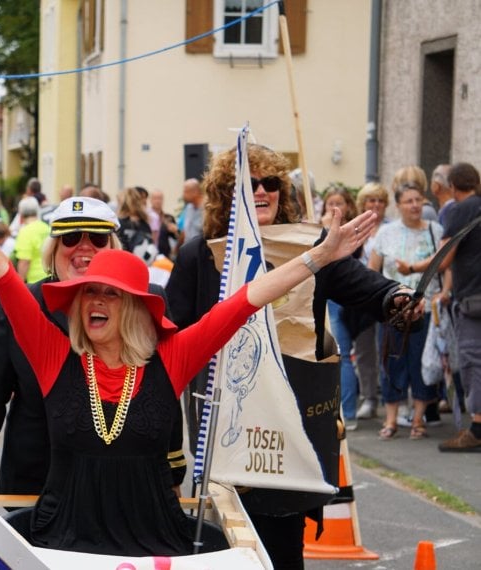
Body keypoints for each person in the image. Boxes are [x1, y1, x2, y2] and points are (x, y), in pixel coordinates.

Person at [0, 142, 378, 557]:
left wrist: (318, 256)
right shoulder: (53, 355)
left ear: (136, 307)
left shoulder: (171, 357)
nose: (94, 300)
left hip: (156, 543)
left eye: (110, 292)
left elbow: (246, 300)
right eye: (87, 292)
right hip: (62, 540)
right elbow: (1, 272)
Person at [166, 145, 415, 568]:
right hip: (226, 419)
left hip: (291, 420)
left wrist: (397, 297)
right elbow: (171, 344)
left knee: (282, 544)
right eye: (249, 184)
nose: (261, 191)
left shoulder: (314, 248)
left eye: (272, 183)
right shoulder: (200, 254)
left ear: (284, 191)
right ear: (228, 193)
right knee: (226, 546)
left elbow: (363, 286)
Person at [0, 193, 187, 498]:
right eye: (71, 237)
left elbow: (165, 389)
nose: (84, 247)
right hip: (39, 486)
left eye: (98, 239)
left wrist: (172, 469)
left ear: (113, 248)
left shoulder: (147, 301)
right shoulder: (25, 304)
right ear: (53, 249)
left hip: (127, 488)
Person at [410, 162, 481, 451]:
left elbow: (446, 256)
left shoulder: (460, 209)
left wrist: (414, 268)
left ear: (452, 187)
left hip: (473, 300)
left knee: (472, 360)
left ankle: (476, 428)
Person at [368, 181, 442, 440]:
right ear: (398, 205)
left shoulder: (435, 230)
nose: (414, 205)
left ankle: (418, 420)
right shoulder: (386, 234)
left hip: (425, 310)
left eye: (418, 200)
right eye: (408, 201)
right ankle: (391, 420)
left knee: (420, 363)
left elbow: (446, 266)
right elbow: (371, 271)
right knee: (392, 362)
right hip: (393, 310)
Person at [319, 186, 360, 428]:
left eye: (339, 203)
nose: (334, 208)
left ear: (348, 206)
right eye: (329, 203)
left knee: (341, 354)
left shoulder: (353, 228)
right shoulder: (318, 228)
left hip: (341, 299)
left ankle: (349, 411)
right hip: (323, 296)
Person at [353, 183, 390, 420]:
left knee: (387, 348)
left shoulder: (392, 229)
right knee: (365, 350)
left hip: (387, 296)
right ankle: (369, 397)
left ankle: (391, 398)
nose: (375, 205)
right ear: (362, 204)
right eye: (371, 201)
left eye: (380, 201)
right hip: (363, 298)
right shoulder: (356, 228)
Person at [13, 197, 50, 283]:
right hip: (50, 277)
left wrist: (20, 283)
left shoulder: (25, 232)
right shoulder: (46, 227)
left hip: (35, 282)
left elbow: (24, 261)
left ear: (21, 214)